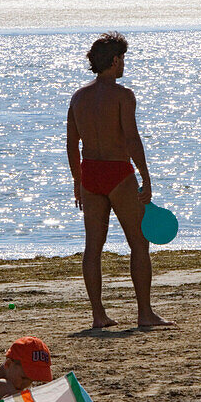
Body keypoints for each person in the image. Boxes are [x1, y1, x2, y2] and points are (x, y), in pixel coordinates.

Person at [67, 32, 172, 328]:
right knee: (139, 244)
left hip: (90, 173)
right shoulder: (123, 95)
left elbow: (71, 143)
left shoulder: (79, 97)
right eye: (122, 58)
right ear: (114, 61)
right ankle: (144, 313)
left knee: (93, 247)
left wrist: (78, 180)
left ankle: (98, 315)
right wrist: (145, 176)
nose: (124, 64)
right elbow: (131, 138)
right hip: (117, 172)